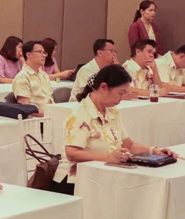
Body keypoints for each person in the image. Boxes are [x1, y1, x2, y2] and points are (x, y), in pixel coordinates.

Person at [58, 64, 177, 195]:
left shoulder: (112, 112)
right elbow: (72, 153)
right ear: (103, 87)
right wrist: (107, 157)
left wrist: (154, 151)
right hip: (77, 181)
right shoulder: (80, 114)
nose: (121, 99)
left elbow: (129, 145)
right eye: (120, 93)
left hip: (105, 176)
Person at [12, 40, 54, 115]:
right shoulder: (22, 77)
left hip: (51, 114)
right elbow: (26, 108)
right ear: (28, 55)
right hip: (37, 119)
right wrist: (48, 113)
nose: (44, 55)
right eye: (40, 52)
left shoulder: (44, 75)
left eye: (44, 52)